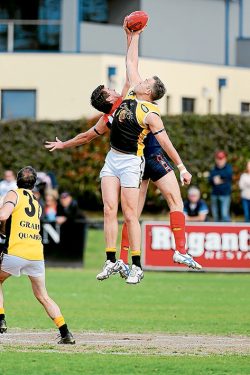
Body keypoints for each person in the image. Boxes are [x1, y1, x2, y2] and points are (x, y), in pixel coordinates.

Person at [45, 20, 202, 282]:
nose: (117, 88)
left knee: (138, 212)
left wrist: (132, 36)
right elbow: (131, 68)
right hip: (140, 160)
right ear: (108, 100)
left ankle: (156, 256)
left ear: (148, 90)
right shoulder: (120, 106)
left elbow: (130, 65)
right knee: (134, 213)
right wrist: (133, 35)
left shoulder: (132, 103)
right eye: (111, 90)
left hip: (142, 159)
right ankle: (130, 261)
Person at [0, 166, 75, 344]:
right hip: (36, 254)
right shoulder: (37, 203)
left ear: (17, 180)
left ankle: (1, 320)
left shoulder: (13, 193)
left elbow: (3, 215)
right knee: (43, 296)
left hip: (16, 250)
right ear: (33, 184)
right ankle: (65, 333)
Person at [209, 150, 233, 222]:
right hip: (215, 194)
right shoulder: (214, 168)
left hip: (225, 194)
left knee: (224, 214)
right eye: (218, 158)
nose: (219, 160)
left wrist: (219, 179)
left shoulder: (228, 168)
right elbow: (210, 179)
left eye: (221, 158)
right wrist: (219, 179)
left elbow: (228, 176)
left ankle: (228, 231)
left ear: (225, 159)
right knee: (215, 215)